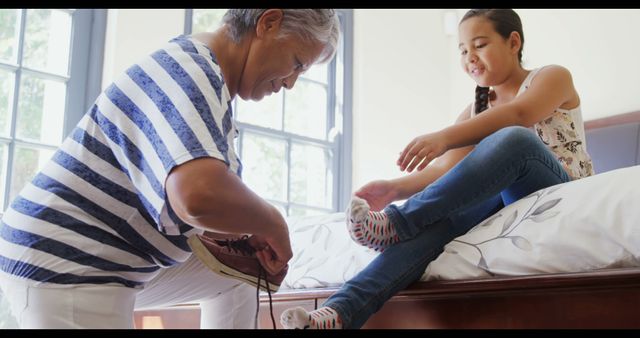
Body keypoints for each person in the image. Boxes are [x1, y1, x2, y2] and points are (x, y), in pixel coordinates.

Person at [0, 9, 340, 328]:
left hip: (101, 256)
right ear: (268, 22)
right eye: (296, 63)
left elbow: (189, 206)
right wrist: (271, 221)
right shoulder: (190, 70)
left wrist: (244, 229)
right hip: (69, 258)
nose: (291, 83)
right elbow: (196, 197)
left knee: (240, 276)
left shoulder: (208, 85)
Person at [281, 8, 594, 329]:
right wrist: (395, 188)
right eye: (462, 50)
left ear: (513, 42)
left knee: (513, 139)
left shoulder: (551, 77)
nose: (470, 57)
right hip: (505, 198)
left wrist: (444, 137)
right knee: (438, 224)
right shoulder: (478, 109)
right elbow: (448, 170)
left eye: (480, 44)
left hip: (556, 188)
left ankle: (398, 223)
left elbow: (519, 115)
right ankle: (337, 314)